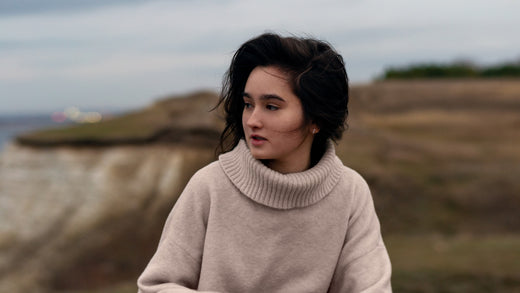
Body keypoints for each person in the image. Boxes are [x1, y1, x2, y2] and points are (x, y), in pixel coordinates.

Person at [137, 32, 392, 293]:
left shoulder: (350, 192)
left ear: (316, 119)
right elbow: (155, 287)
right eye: (248, 104)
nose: (252, 120)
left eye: (271, 106)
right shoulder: (210, 186)